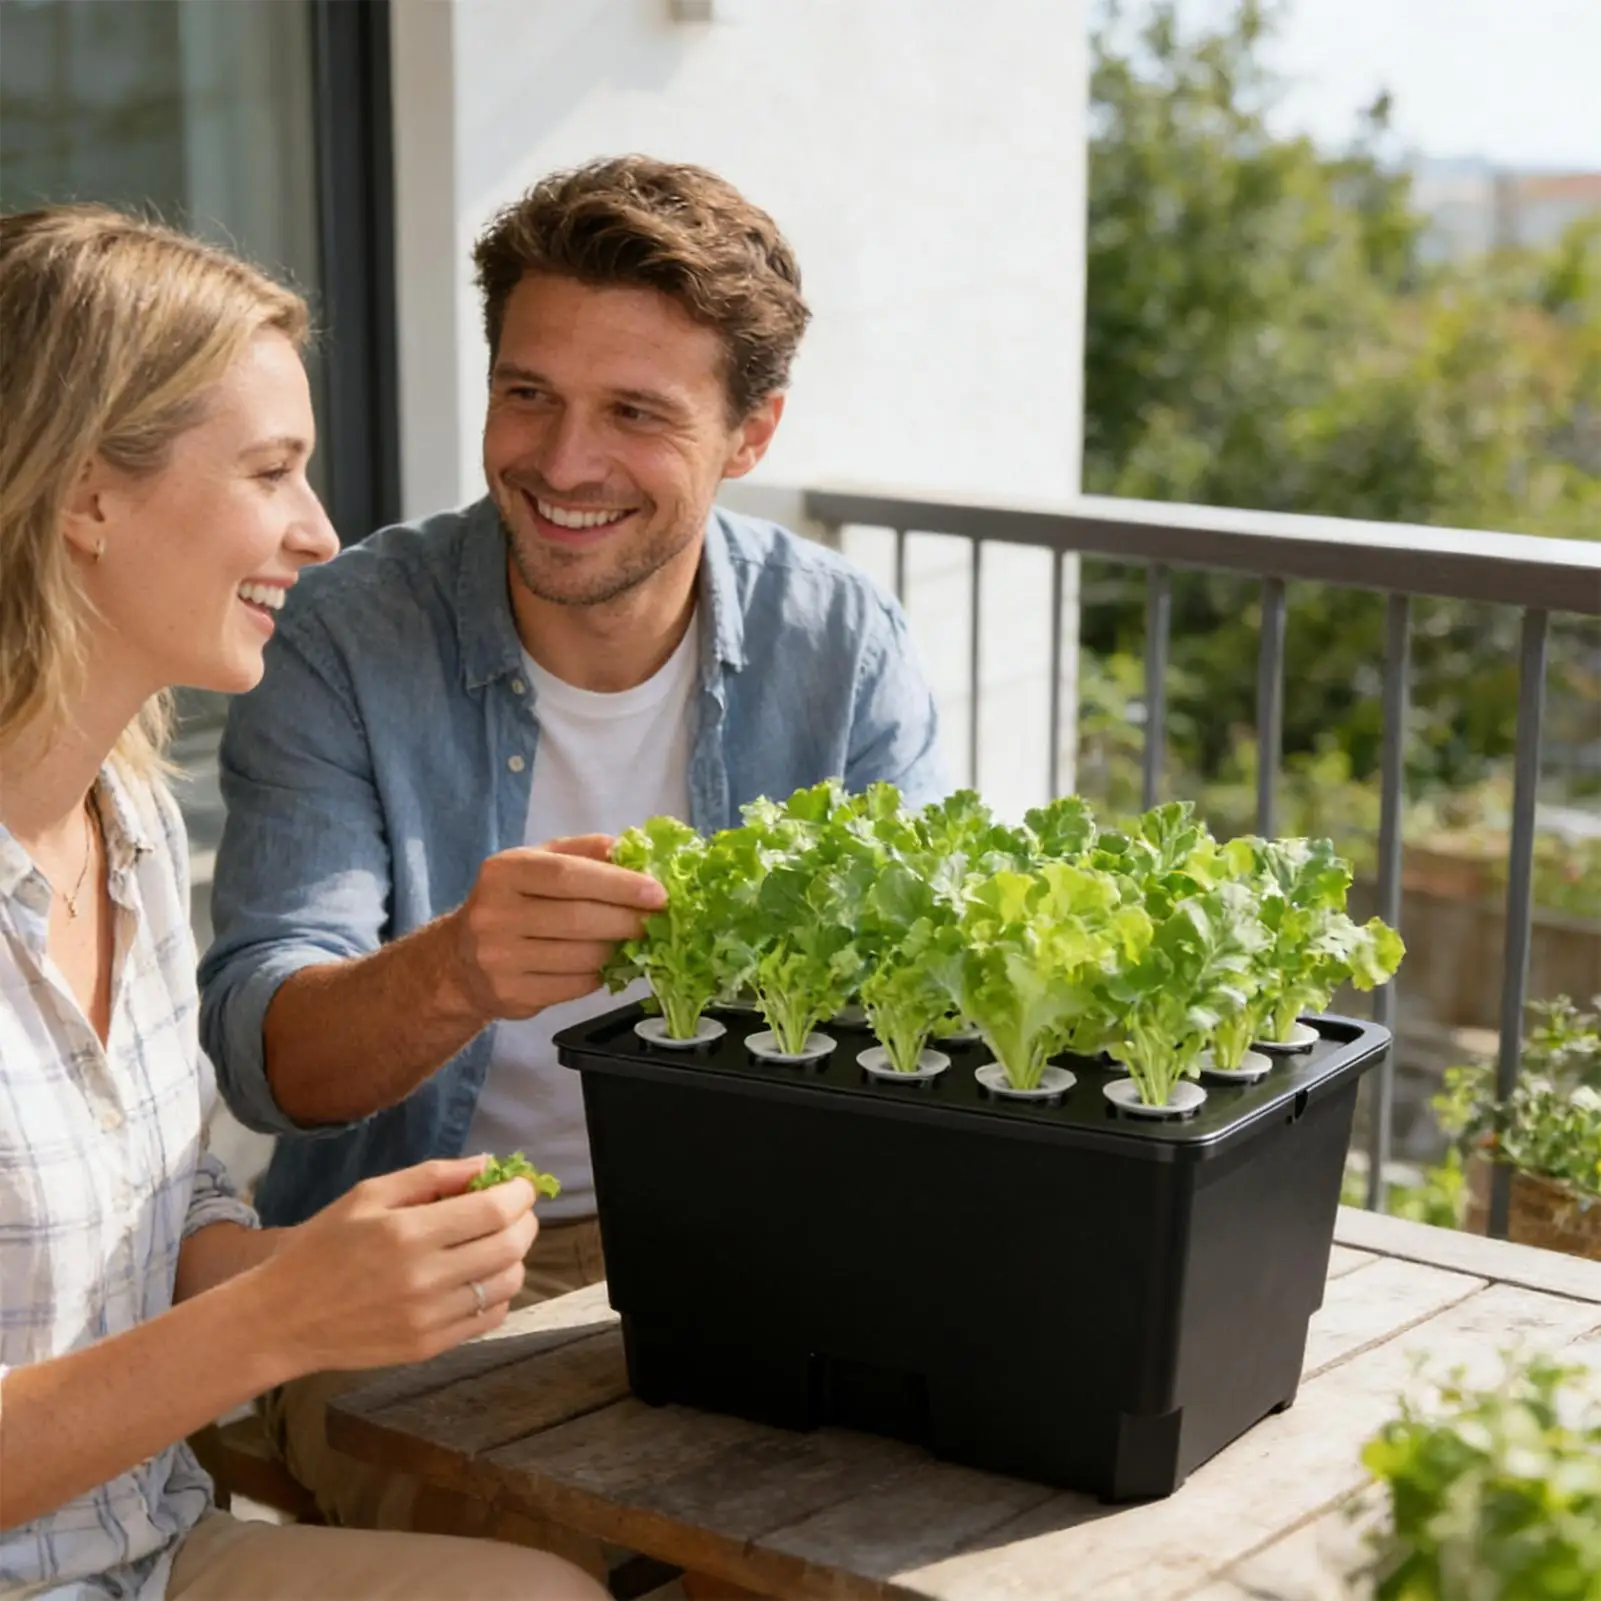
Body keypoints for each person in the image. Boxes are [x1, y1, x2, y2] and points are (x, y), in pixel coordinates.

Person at [198, 154, 948, 1537]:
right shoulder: (345, 634)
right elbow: (269, 1061)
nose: (562, 462)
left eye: (635, 413)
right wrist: (456, 973)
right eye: (528, 393)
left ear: (751, 433)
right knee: (576, 1551)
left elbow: (912, 1030)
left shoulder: (843, 648)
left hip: (751, 1261)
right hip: (417, 1258)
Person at [0, 204, 607, 1601]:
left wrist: (340, 1272)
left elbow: (168, 1220)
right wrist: (277, 1320)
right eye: (271, 471)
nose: (322, 533)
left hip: (151, 1558)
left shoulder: (133, 827)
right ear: (87, 495)